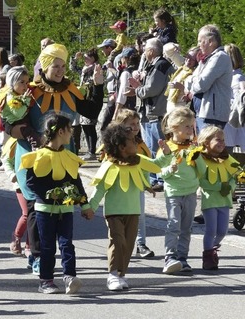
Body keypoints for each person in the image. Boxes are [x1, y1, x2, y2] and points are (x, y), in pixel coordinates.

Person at [9, 43, 104, 276]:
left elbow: (91, 111)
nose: (60, 70)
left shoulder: (70, 89)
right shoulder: (30, 91)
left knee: (61, 205)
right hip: (34, 154)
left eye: (63, 66)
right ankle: (37, 256)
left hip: (64, 154)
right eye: (55, 66)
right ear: (44, 67)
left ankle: (63, 257)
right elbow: (10, 124)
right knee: (35, 204)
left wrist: (98, 85)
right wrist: (32, 135)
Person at [89, 125, 171, 291]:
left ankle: (121, 274)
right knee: (117, 241)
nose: (137, 143)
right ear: (122, 147)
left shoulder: (138, 161)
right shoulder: (109, 166)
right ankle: (112, 274)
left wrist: (167, 153)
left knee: (128, 244)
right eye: (133, 141)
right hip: (114, 212)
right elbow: (100, 189)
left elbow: (156, 165)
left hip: (133, 211)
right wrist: (90, 207)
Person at [19, 114, 94, 294]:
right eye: (69, 129)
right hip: (45, 210)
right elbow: (31, 183)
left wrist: (84, 205)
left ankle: (69, 276)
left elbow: (76, 183)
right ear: (61, 132)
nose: (71, 133)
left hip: (66, 209)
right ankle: (45, 280)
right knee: (47, 246)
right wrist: (48, 195)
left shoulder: (69, 156)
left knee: (67, 243)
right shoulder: (39, 156)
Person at [105, 109, 157, 258]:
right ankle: (121, 244)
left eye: (137, 123)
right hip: (120, 185)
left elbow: (146, 165)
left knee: (139, 215)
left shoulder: (139, 143)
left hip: (137, 184)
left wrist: (146, 183)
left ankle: (141, 244)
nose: (135, 127)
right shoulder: (114, 144)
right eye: (131, 124)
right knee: (120, 218)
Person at [155, 107, 199, 274]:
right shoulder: (167, 148)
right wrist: (170, 170)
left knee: (187, 227)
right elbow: (162, 174)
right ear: (175, 128)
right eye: (187, 126)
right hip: (174, 192)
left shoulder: (193, 147)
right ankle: (170, 257)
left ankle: (183, 258)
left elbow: (198, 169)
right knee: (174, 225)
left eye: (192, 126)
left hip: (191, 192)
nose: (191, 130)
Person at [128, 38, 174, 192]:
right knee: (150, 147)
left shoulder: (160, 65)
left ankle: (160, 178)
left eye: (145, 48)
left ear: (152, 51)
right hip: (149, 112)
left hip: (156, 112)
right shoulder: (153, 65)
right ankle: (153, 178)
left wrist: (137, 89)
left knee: (158, 147)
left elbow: (151, 89)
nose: (143, 51)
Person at [192, 126, 239, 270]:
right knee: (211, 230)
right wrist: (219, 187)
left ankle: (212, 249)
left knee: (222, 231)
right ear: (206, 142)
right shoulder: (201, 158)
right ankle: (208, 256)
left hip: (224, 200)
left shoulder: (226, 157)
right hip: (210, 200)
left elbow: (234, 175)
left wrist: (230, 186)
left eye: (223, 140)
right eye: (218, 139)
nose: (222, 143)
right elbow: (202, 181)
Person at [190, 24, 232, 131]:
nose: (198, 45)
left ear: (210, 42)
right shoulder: (207, 59)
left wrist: (193, 82)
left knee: (209, 146)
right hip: (203, 113)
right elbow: (189, 80)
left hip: (212, 115)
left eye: (200, 41)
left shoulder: (219, 57)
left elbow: (201, 85)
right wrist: (193, 81)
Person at [166, 47, 200, 113]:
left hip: (181, 108)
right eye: (187, 56)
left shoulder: (195, 74)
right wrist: (175, 46)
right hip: (170, 105)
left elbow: (193, 94)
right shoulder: (181, 67)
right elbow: (167, 50)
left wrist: (181, 87)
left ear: (196, 61)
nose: (188, 60)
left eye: (192, 59)